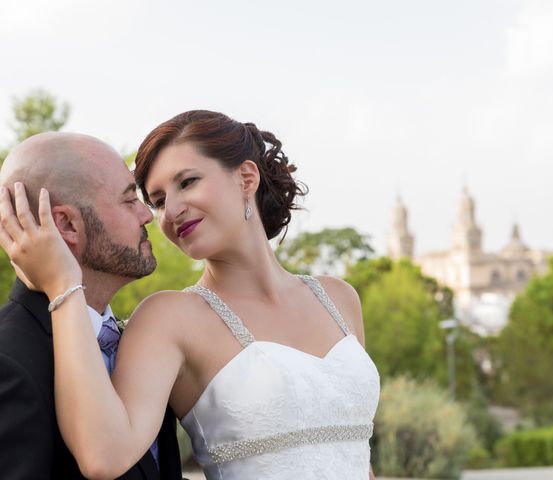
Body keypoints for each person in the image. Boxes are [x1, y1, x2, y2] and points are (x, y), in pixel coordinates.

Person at [0, 110, 380, 479]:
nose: (170, 213)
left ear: (246, 178)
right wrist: (63, 283)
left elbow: (356, 453)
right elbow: (103, 455)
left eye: (188, 182)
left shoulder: (339, 297)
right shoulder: (167, 318)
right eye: (158, 200)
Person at [0, 132, 183, 480]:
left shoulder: (140, 345)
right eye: (129, 200)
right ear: (67, 224)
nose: (147, 215)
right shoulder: (8, 363)